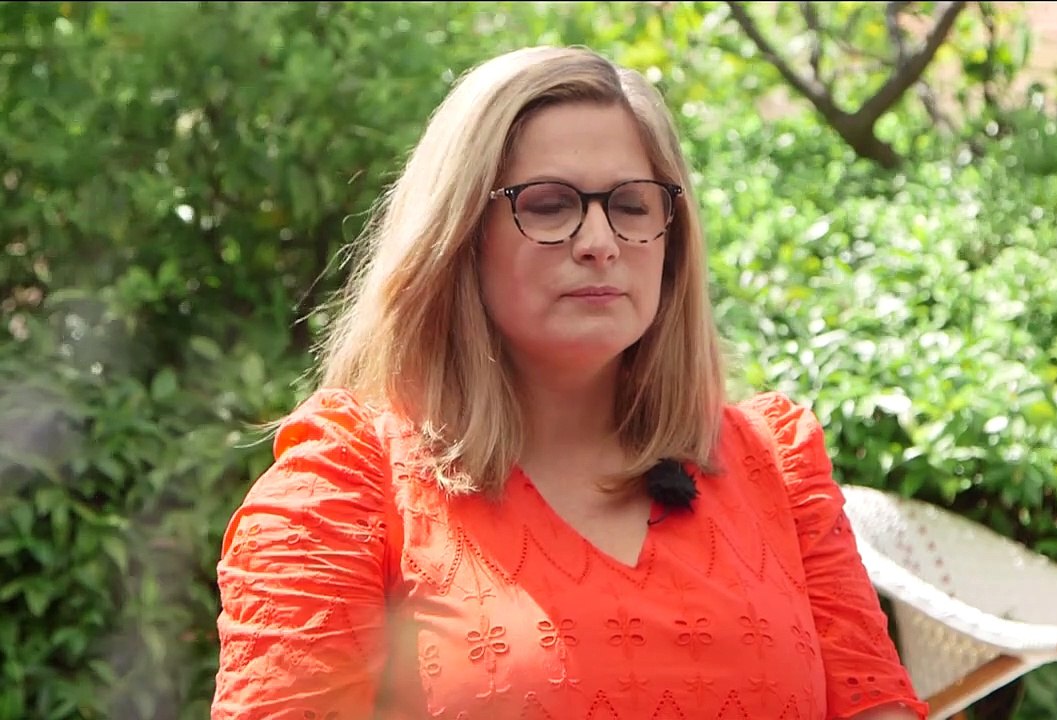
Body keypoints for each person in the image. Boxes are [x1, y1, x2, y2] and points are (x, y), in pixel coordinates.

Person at [211, 45, 929, 720]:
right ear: (459, 238)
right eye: (549, 205)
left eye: (630, 205)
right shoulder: (345, 486)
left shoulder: (775, 465)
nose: (598, 241)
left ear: (672, 245)